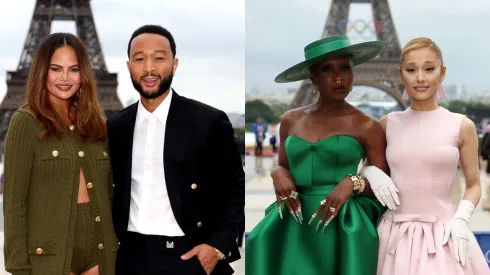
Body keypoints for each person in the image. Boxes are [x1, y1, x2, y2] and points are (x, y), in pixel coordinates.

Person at [245, 35, 401, 275]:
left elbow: (383, 190)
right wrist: (277, 172)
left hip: (341, 225)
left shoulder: (368, 126)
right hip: (293, 223)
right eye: (327, 69)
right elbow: (284, 167)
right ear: (313, 77)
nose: (338, 77)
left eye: (345, 68)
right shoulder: (290, 120)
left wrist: (353, 182)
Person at [106, 25, 245, 275]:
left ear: (175, 64)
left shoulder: (208, 121)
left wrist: (217, 247)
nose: (149, 68)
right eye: (140, 59)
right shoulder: (116, 127)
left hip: (189, 256)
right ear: (129, 66)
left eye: (159, 58)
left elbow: (234, 188)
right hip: (129, 259)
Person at [365, 37, 490, 274]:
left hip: (444, 236)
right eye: (411, 70)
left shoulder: (462, 126)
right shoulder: (386, 124)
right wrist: (370, 171)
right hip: (392, 240)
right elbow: (361, 172)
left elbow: (473, 184)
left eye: (429, 69)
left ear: (442, 73)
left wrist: (461, 219)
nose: (420, 78)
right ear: (400, 75)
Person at [3, 33, 118, 275]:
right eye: (56, 69)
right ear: (42, 71)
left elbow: (110, 193)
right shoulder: (25, 122)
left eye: (74, 69)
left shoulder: (95, 124)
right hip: (50, 255)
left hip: (100, 248)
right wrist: (18, 267)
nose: (65, 78)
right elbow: (14, 203)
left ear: (83, 74)